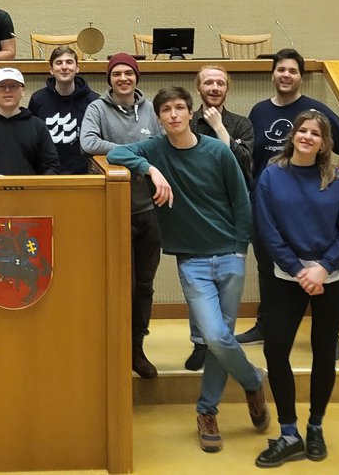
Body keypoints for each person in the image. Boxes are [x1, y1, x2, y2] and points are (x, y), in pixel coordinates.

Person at [108, 87, 269, 454]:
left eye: (180, 108)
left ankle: (206, 412)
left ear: (190, 112)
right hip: (191, 260)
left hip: (229, 254)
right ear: (159, 118)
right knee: (216, 336)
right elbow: (115, 153)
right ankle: (252, 380)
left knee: (219, 339)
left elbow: (241, 199)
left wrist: (240, 248)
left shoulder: (217, 151)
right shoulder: (154, 149)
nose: (174, 115)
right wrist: (151, 170)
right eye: (166, 110)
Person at [253, 110, 339, 467]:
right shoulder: (272, 175)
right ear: (293, 135)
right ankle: (288, 434)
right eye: (303, 130)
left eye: (316, 133)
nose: (308, 137)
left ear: (325, 143)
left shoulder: (337, 178)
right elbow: (267, 230)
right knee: (276, 348)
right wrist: (300, 270)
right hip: (288, 276)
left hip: (333, 275)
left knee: (324, 349)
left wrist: (323, 268)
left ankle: (315, 427)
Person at [238, 48, 339, 346]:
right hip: (267, 207)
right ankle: (266, 326)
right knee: (268, 271)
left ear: (300, 77)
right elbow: (252, 159)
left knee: (320, 271)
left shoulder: (315, 111)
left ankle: (329, 336)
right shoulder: (259, 111)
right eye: (281, 69)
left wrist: (335, 185)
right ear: (272, 74)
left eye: (292, 71)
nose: (286, 75)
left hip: (308, 213)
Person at [81, 52, 162, 379]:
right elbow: (88, 142)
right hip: (113, 212)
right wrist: (133, 153)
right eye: (117, 74)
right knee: (118, 284)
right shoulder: (96, 109)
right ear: (109, 79)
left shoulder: (151, 110)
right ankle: (113, 348)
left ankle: (136, 348)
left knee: (144, 285)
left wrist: (121, 152)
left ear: (136, 77)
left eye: (129, 73)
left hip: (149, 210)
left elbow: (162, 145)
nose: (123, 79)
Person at [184, 65, 255, 371]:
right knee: (196, 285)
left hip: (229, 213)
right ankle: (200, 343)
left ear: (228, 88)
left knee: (227, 286)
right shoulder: (188, 121)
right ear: (198, 87)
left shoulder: (241, 124)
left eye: (220, 83)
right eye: (208, 82)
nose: (214, 87)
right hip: (195, 211)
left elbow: (244, 165)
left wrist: (220, 129)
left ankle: (221, 345)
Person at [27, 45, 99, 174]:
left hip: (83, 175)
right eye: (59, 63)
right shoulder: (38, 100)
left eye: (69, 62)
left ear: (77, 68)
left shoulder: (94, 102)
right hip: (46, 174)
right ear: (51, 70)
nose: (64, 67)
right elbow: (32, 140)